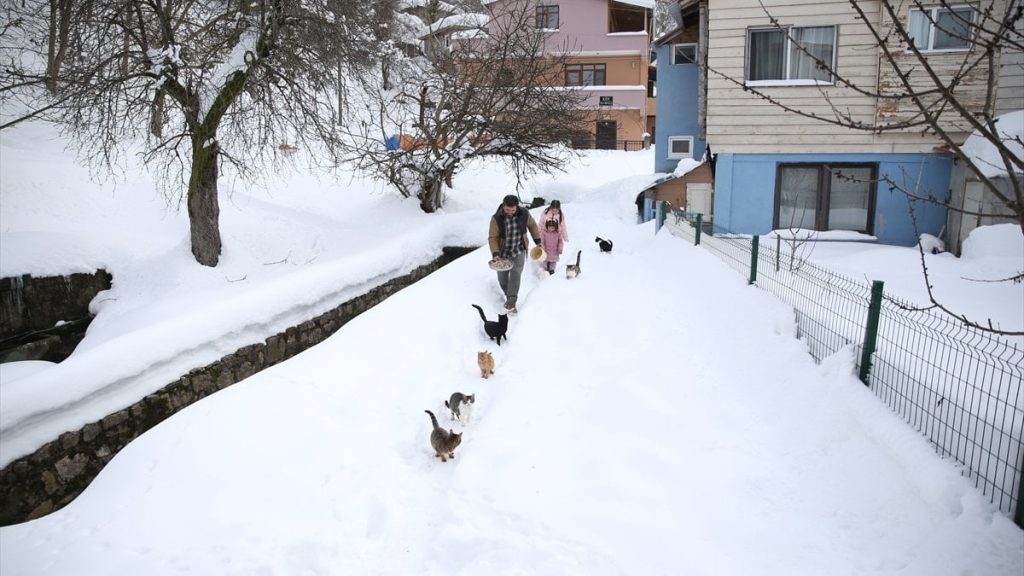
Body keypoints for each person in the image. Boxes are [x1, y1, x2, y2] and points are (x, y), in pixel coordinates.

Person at [488, 194, 542, 314]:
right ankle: (509, 295)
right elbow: (492, 238)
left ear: (517, 207)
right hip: (503, 253)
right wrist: (496, 254)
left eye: (513, 210)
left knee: (516, 275)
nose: (510, 212)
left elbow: (532, 225)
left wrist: (538, 241)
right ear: (503, 206)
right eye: (507, 210)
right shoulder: (496, 218)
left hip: (519, 250)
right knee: (502, 279)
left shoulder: (524, 213)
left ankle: (511, 301)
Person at [539, 199, 569, 274]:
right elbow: (541, 223)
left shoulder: (560, 215)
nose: (554, 211)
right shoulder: (545, 213)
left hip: (556, 235)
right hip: (545, 234)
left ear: (559, 209)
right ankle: (544, 268)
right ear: (550, 207)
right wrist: (538, 234)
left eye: (556, 210)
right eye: (553, 209)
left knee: (553, 256)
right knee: (545, 254)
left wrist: (565, 236)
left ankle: (552, 269)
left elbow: (563, 226)